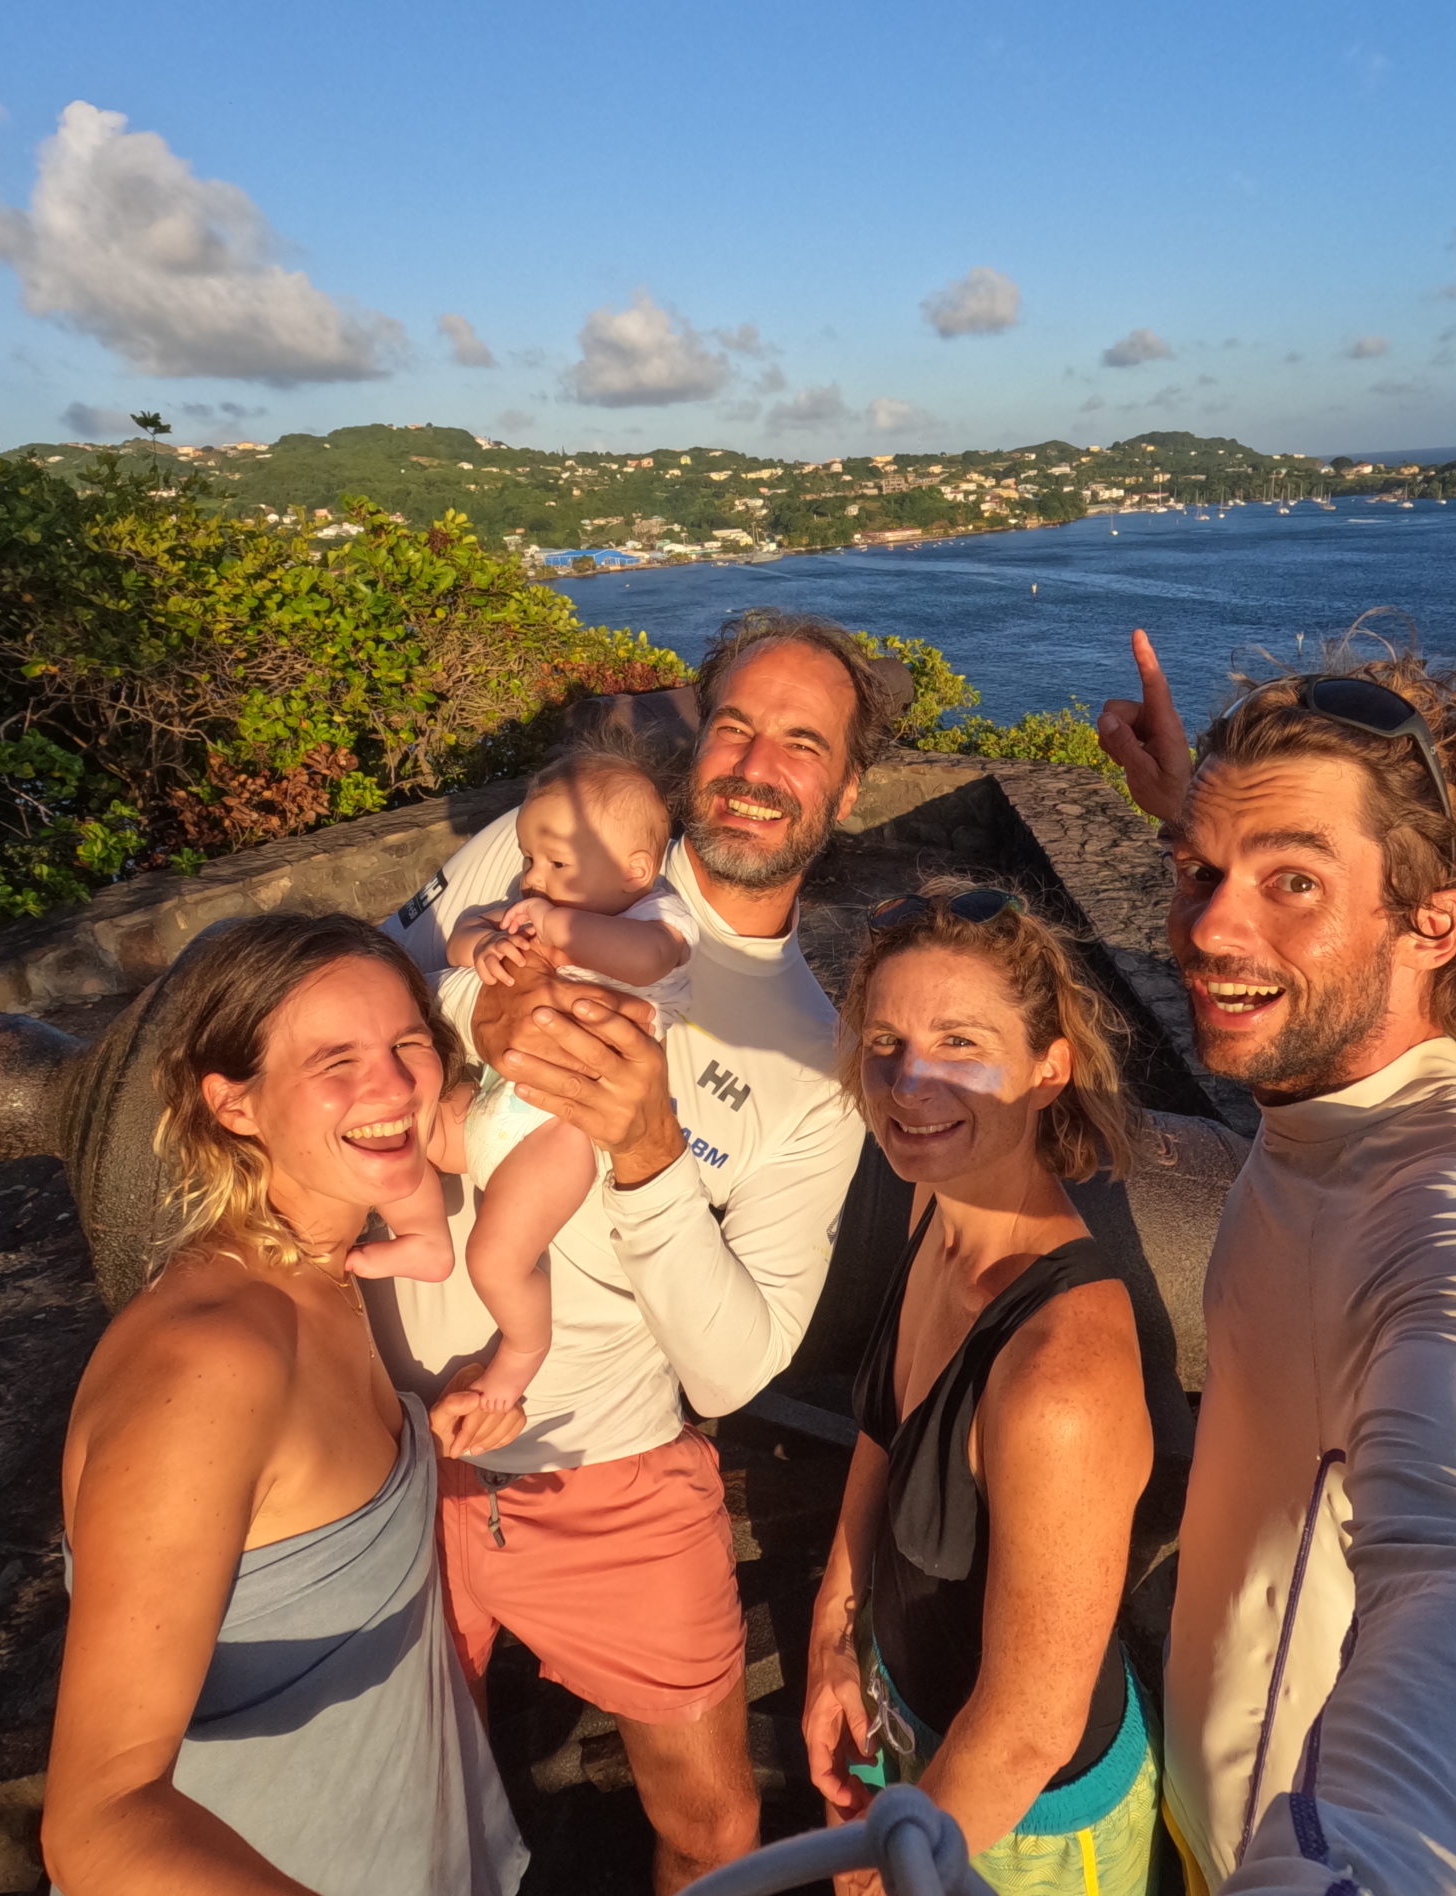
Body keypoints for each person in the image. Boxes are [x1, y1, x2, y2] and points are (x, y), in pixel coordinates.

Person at [1095, 625, 1456, 1896]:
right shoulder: (1321, 1112)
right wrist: (1194, 811)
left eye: (1292, 881)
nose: (1208, 928)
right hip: (1211, 1807)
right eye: (1197, 871)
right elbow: (1263, 888)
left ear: (1432, 925)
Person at [379, 612, 889, 1892]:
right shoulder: (551, 846)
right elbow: (358, 992)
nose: (755, 765)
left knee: (713, 1831)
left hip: (606, 1476)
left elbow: (733, 1372)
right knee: (405, 1807)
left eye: (802, 742)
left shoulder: (814, 1068)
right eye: (735, 726)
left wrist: (651, 1150)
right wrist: (476, 1022)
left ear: (847, 789)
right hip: (389, 1443)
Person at [39, 913, 529, 1896]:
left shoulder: (333, 1270)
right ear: (234, 1104)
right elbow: (97, 1824)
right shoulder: (208, 1364)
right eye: (334, 1061)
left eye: (407, 1045)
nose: (393, 1087)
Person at [803, 881, 1160, 1896]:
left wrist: (890, 1867)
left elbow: (1027, 1730)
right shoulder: (939, 1211)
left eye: (960, 1043)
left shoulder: (1059, 1374)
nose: (908, 1083)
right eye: (885, 1043)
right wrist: (833, 1641)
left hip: (1025, 1825)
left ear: (1050, 1070)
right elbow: (884, 1430)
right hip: (915, 1734)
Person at [353, 750, 696, 1412]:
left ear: (634, 870)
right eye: (528, 859)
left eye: (555, 863)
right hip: (489, 1102)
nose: (532, 878)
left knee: (496, 1260)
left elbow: (648, 959)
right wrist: (482, 946)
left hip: (557, 1130)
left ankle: (520, 1353)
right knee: (404, 1119)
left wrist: (559, 930)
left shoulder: (661, 918)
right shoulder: (530, 905)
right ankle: (424, 1237)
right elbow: (464, 933)